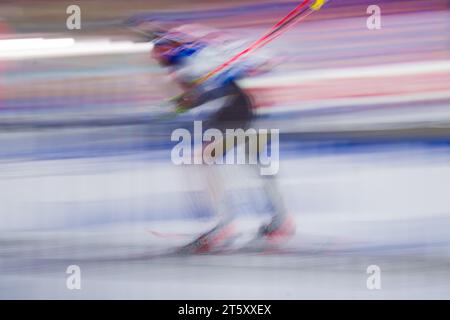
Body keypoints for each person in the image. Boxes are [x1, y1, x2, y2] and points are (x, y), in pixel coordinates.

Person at [150, 24, 295, 253]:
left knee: (203, 160)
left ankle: (225, 224)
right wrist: (181, 104)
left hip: (234, 110)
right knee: (251, 162)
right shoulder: (188, 63)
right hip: (237, 109)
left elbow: (216, 80)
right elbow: (195, 97)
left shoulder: (194, 60)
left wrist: (186, 99)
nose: (161, 63)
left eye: (162, 57)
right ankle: (280, 219)